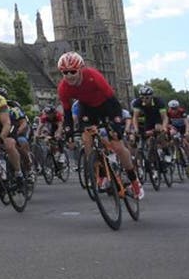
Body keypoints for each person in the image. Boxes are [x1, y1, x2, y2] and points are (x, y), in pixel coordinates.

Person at [52, 51, 143, 199]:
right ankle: (101, 173)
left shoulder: (93, 76)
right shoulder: (63, 88)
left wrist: (116, 125)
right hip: (87, 108)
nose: (69, 76)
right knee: (87, 137)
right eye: (65, 72)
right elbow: (67, 113)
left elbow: (113, 101)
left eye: (73, 71)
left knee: (118, 146)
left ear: (81, 69)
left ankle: (134, 181)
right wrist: (68, 134)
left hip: (107, 105)